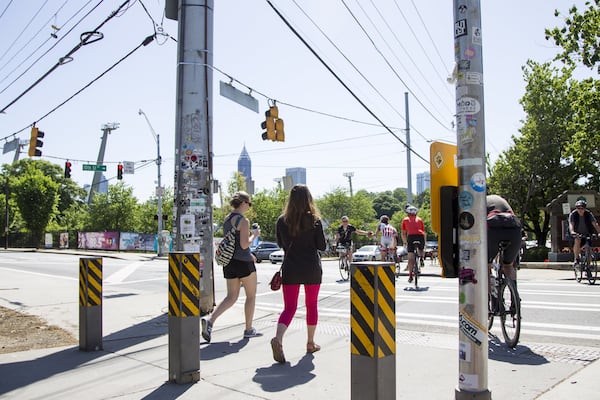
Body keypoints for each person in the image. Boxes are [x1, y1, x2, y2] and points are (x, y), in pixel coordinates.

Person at [271, 184, 326, 363]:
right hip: (311, 268)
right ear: (308, 198)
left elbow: (281, 244)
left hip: (291, 268)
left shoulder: (282, 220)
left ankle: (278, 339)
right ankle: (310, 343)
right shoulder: (315, 220)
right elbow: (322, 246)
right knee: (311, 305)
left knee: (289, 307)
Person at [201, 191, 262, 343]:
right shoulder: (243, 221)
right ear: (243, 203)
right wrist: (254, 235)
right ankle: (249, 329)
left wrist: (250, 254)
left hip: (229, 263)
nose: (249, 206)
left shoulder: (227, 219)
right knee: (251, 296)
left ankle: (210, 321)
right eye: (249, 203)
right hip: (243, 263)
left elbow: (233, 244)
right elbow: (243, 244)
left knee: (231, 297)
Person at [486, 194, 522, 281]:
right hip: (514, 227)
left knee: (485, 266)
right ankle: (514, 292)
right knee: (508, 265)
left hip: (493, 227)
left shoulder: (481, 201)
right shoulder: (502, 201)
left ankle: (488, 293)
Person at [568, 199, 600, 266]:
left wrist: (599, 232)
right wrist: (572, 232)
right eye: (578, 208)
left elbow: (595, 224)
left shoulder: (588, 214)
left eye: (582, 208)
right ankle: (576, 258)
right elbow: (571, 224)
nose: (580, 210)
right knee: (577, 240)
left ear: (585, 208)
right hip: (577, 234)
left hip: (588, 233)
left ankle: (588, 267)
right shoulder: (573, 214)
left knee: (589, 252)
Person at [401, 206, 425, 283]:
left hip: (411, 237)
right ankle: (421, 257)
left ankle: (410, 275)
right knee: (421, 248)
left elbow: (403, 233)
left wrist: (405, 242)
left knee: (410, 258)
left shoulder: (405, 220)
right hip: (420, 236)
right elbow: (423, 232)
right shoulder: (420, 219)